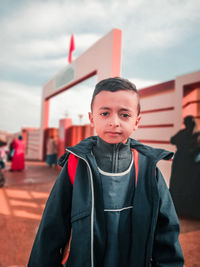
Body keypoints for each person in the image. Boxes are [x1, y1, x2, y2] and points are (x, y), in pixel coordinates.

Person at [28, 77, 184, 266]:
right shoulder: (76, 166)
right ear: (92, 118)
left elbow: (166, 232)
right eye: (105, 113)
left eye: (124, 115)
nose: (114, 122)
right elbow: (51, 229)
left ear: (137, 121)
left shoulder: (148, 170)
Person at [170, 115, 200, 218]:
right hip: (190, 163)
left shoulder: (182, 133)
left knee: (178, 183)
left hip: (179, 161)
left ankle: (177, 209)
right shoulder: (196, 135)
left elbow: (172, 140)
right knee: (188, 185)